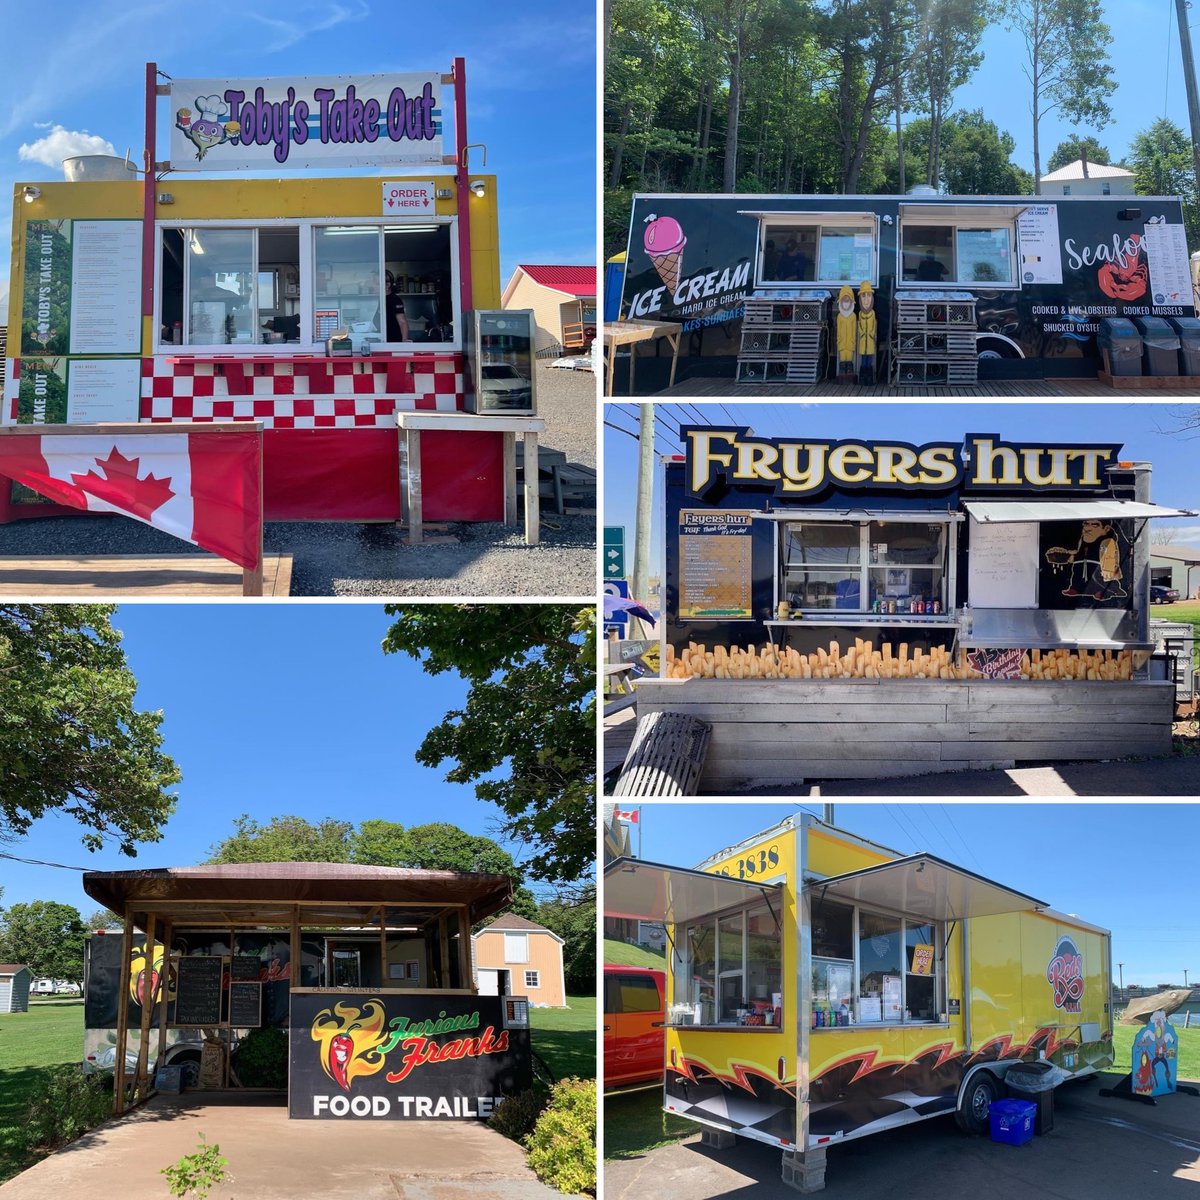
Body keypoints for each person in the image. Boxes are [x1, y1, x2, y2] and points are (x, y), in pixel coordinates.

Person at [385, 271, 409, 342]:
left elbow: (402, 322)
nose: (373, 285)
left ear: (387, 285)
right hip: (383, 342)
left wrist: (404, 340)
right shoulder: (380, 298)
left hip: (393, 342)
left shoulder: (394, 300)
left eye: (376, 283)